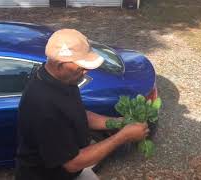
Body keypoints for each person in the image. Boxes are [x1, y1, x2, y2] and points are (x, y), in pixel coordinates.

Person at [15, 29, 149, 180]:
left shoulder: (64, 79)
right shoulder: (44, 106)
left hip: (73, 171)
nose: (86, 71)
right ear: (60, 65)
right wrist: (123, 136)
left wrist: (119, 122)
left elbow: (79, 114)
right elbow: (72, 163)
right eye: (81, 66)